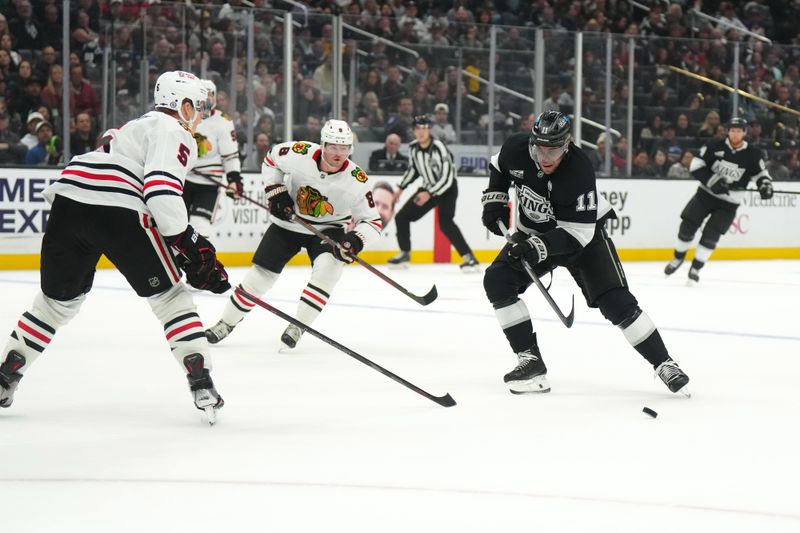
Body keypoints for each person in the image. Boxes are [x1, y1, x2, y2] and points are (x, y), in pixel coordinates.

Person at [0, 71, 230, 423]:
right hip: (119, 204)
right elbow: (160, 190)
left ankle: (6, 374)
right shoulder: (175, 131)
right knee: (170, 298)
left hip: (70, 198)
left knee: (54, 304)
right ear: (183, 107)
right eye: (198, 107)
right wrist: (190, 244)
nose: (200, 115)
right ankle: (200, 380)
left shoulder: (131, 128)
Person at [480, 110, 690, 395]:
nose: (545, 156)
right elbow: (499, 168)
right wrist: (495, 200)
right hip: (535, 234)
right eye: (541, 147)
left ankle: (664, 363)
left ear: (566, 145)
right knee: (497, 280)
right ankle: (530, 361)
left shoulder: (578, 170)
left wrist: (535, 247)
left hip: (582, 237)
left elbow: (578, 234)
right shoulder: (516, 149)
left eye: (553, 149)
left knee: (615, 302)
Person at [204, 120, 382, 350]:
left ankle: (298, 325)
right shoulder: (300, 153)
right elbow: (271, 159)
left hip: (327, 228)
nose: (339, 154)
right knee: (260, 276)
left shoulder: (357, 180)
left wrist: (356, 239)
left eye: (344, 148)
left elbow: (373, 221)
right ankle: (225, 323)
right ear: (322, 145)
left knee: (328, 271)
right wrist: (275, 190)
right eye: (333, 147)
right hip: (288, 223)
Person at [664, 117, 773, 284]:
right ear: (728, 131)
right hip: (705, 195)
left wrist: (765, 185)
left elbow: (761, 174)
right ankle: (678, 258)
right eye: (733, 130)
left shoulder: (753, 154)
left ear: (744, 132)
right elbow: (696, 165)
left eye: (739, 130)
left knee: (711, 235)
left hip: (729, 203)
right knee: (687, 225)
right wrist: (713, 182)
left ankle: (696, 268)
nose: (735, 134)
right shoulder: (714, 145)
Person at [388, 115, 479, 271]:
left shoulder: (438, 147)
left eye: (424, 128)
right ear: (413, 131)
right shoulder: (413, 147)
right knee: (402, 217)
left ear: (429, 130)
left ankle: (469, 258)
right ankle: (404, 254)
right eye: (418, 129)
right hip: (428, 188)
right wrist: (401, 189)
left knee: (446, 223)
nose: (421, 132)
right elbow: (413, 170)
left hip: (447, 189)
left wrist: (429, 194)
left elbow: (447, 176)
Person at [184, 79, 243, 237]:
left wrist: (234, 180)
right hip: (182, 180)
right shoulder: (184, 117)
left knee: (199, 226)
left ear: (215, 97)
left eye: (210, 95)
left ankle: (199, 261)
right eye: (203, 95)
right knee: (177, 224)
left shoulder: (223, 121)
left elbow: (230, 155)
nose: (207, 99)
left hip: (208, 184)